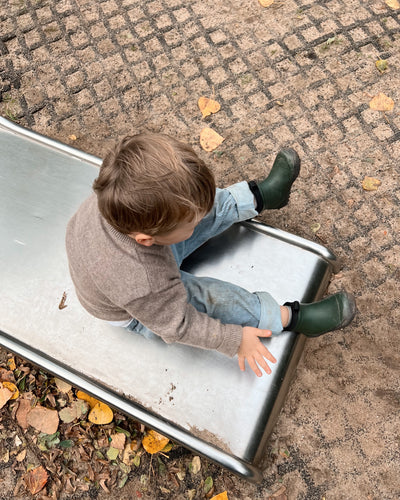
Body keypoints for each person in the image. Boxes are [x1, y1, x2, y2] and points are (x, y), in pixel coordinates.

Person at [66, 133, 356, 377]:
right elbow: (180, 325)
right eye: (192, 225)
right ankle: (288, 317)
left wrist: (195, 216)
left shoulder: (123, 199)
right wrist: (234, 339)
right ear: (147, 239)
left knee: (189, 205)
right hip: (138, 312)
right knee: (209, 298)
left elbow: (188, 211)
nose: (198, 222)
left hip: (131, 263)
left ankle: (261, 196)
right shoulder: (144, 282)